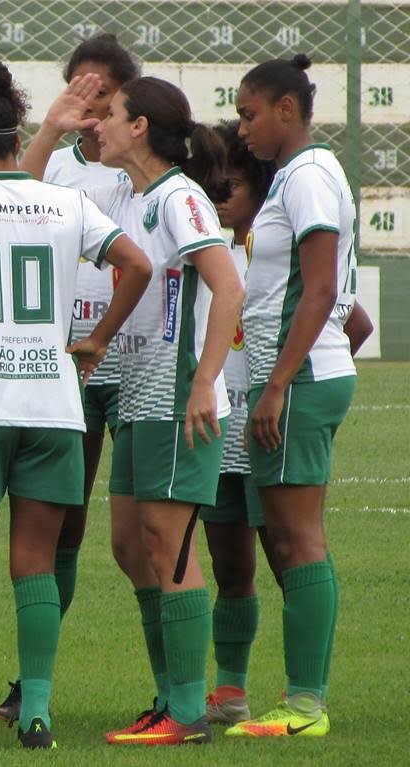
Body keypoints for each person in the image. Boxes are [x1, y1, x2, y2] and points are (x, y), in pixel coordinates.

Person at [0, 58, 152, 750]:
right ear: (17, 141)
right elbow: (137, 264)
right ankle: (37, 713)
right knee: (36, 562)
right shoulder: (67, 202)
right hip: (54, 404)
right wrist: (96, 339)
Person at [28, 73, 245, 744]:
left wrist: (205, 381)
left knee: (169, 548)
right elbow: (26, 194)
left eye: (112, 113)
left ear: (141, 126)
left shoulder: (178, 197)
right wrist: (54, 128)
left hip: (175, 396)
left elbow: (227, 287)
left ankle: (187, 712)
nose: (100, 123)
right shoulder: (127, 193)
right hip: (137, 392)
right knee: (131, 544)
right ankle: (169, 698)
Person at [0, 32, 139, 724]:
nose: (89, 101)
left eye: (101, 91)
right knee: (63, 525)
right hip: (65, 361)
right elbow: (8, 194)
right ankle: (30, 684)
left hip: (132, 360)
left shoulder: (136, 163)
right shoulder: (52, 165)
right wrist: (51, 127)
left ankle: (182, 693)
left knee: (148, 530)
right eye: (78, 86)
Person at [225, 54, 358, 739]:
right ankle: (304, 698)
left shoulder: (307, 175)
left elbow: (322, 286)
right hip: (295, 375)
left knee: (297, 536)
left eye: (249, 114)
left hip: (298, 378)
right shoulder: (298, 176)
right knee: (284, 535)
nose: (241, 128)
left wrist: (277, 383)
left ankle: (306, 705)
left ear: (286, 108)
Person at [197, 120, 278, 726]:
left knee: (289, 557)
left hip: (266, 423)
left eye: (234, 183)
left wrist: (285, 388)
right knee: (230, 566)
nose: (222, 194)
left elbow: (351, 323)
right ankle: (230, 691)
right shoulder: (209, 250)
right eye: (215, 184)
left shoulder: (273, 252)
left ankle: (306, 692)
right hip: (220, 424)